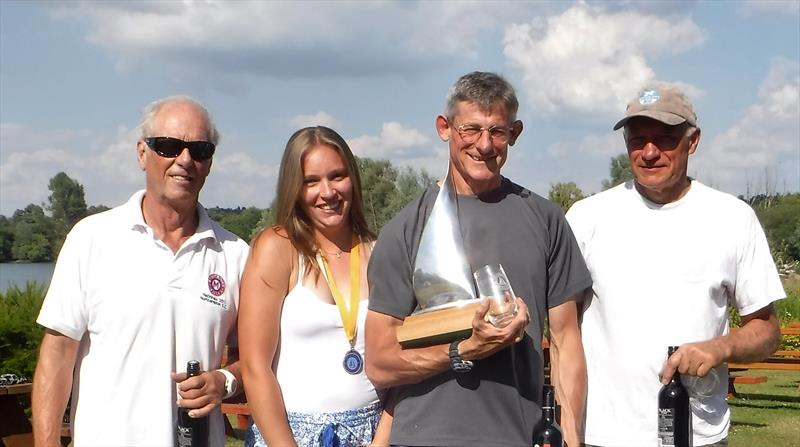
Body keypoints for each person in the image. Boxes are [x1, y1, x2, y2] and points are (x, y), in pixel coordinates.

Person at [365, 71, 592, 447]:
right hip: (424, 438)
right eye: (470, 130)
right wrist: (463, 351)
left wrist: (571, 438)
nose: (484, 145)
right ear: (445, 127)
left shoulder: (546, 219)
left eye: (497, 131)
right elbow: (379, 361)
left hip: (518, 436)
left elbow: (567, 343)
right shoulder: (406, 229)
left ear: (515, 133)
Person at [565, 84, 785, 446]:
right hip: (602, 435)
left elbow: (766, 330)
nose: (649, 153)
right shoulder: (587, 217)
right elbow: (561, 329)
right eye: (638, 140)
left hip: (697, 435)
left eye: (665, 139)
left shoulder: (732, 218)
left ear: (692, 141)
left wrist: (720, 348)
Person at [32, 96, 249, 446]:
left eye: (199, 149)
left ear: (209, 163)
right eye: (168, 146)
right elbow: (57, 354)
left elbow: (256, 360)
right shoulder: (92, 238)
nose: (185, 160)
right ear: (141, 153)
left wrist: (224, 380)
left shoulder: (236, 255)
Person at [239, 126, 389, 447]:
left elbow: (402, 363)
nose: (328, 192)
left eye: (337, 176)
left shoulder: (380, 252)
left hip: (371, 435)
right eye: (311, 181)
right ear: (294, 187)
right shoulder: (278, 247)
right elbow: (255, 367)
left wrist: (382, 441)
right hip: (290, 436)